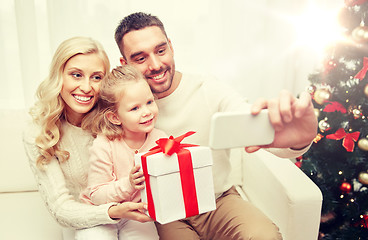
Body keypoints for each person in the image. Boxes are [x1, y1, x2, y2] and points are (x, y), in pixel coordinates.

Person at [114, 12, 318, 240]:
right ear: (125, 64)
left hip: (218, 200)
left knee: (264, 236)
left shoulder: (207, 89)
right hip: (165, 213)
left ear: (171, 47)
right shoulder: (120, 107)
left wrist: (298, 139)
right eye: (140, 58)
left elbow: (248, 122)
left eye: (161, 51)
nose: (155, 65)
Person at [23, 36, 153, 239]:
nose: (86, 87)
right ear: (59, 76)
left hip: (133, 214)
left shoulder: (116, 117)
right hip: (82, 221)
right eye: (76, 75)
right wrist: (111, 212)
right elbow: (61, 208)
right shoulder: (40, 132)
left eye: (96, 77)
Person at [77, 65, 167, 239]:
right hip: (100, 213)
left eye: (149, 102)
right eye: (135, 108)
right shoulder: (104, 144)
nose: (147, 112)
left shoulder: (160, 140)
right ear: (115, 117)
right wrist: (130, 184)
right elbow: (96, 196)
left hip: (136, 215)